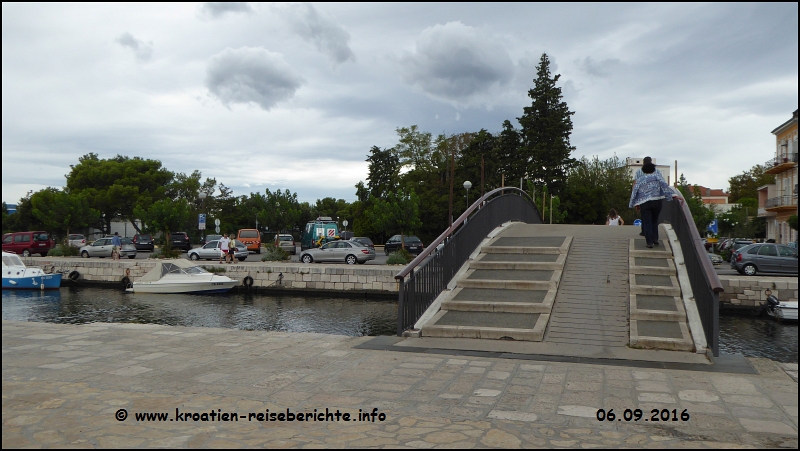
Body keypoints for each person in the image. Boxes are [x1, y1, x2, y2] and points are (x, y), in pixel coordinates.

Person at [629, 162, 680, 248]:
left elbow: (635, 192)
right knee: (654, 220)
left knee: (647, 221)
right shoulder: (658, 178)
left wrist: (633, 203)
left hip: (644, 202)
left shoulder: (640, 180)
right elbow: (665, 187)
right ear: (653, 169)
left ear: (643, 170)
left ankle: (649, 242)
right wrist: (673, 195)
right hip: (657, 201)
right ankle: (655, 239)